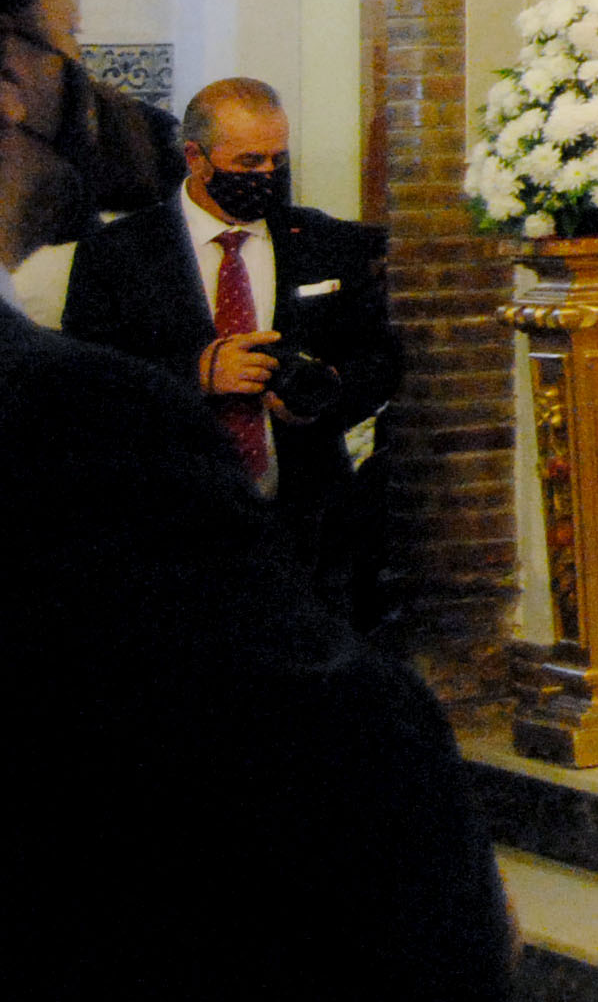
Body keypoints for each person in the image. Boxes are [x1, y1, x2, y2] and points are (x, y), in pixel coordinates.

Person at [0, 0, 511, 1002]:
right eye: (70, 43)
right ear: (12, 77)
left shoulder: (319, 247)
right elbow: (324, 766)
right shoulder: (76, 420)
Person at [66, 75, 402, 621]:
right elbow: (83, 386)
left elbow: (381, 359)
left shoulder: (323, 243)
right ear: (196, 158)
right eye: (248, 162)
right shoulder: (118, 254)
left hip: (306, 527)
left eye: (277, 159)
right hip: (167, 526)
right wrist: (195, 374)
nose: (266, 175)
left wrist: (329, 391)